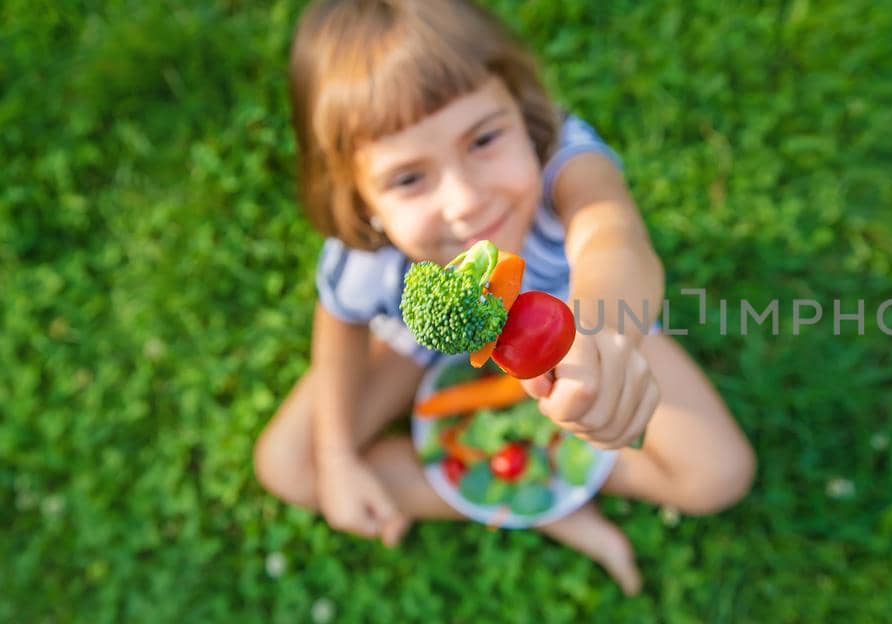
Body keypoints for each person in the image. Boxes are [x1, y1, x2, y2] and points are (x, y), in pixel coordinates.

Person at [252, 0, 755, 595]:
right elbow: (339, 327)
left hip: (575, 319)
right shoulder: (370, 253)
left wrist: (605, 336)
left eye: (484, 138)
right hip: (419, 349)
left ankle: (548, 478)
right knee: (291, 465)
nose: (465, 200)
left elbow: (611, 237)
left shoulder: (565, 164)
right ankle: (548, 503)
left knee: (719, 474)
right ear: (361, 199)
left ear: (522, 106)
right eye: (409, 178)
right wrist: (337, 457)